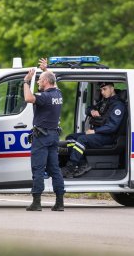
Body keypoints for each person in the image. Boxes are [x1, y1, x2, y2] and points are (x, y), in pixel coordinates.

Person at [23, 59, 65, 211]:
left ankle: (36, 202)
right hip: (53, 136)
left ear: (46, 82)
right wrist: (46, 69)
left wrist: (26, 82)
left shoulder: (44, 96)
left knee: (38, 169)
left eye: (40, 80)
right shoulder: (58, 94)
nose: (38, 82)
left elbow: (28, 98)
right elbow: (53, 81)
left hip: (41, 137)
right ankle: (60, 203)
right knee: (55, 169)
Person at [62, 82, 126, 178]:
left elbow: (112, 127)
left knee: (82, 139)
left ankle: (70, 167)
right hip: (99, 133)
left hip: (108, 136)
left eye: (104, 89)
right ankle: (83, 164)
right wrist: (92, 111)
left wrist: (94, 131)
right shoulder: (105, 102)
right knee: (70, 137)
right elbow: (88, 108)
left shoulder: (118, 105)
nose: (102, 92)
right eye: (101, 90)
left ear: (112, 89)